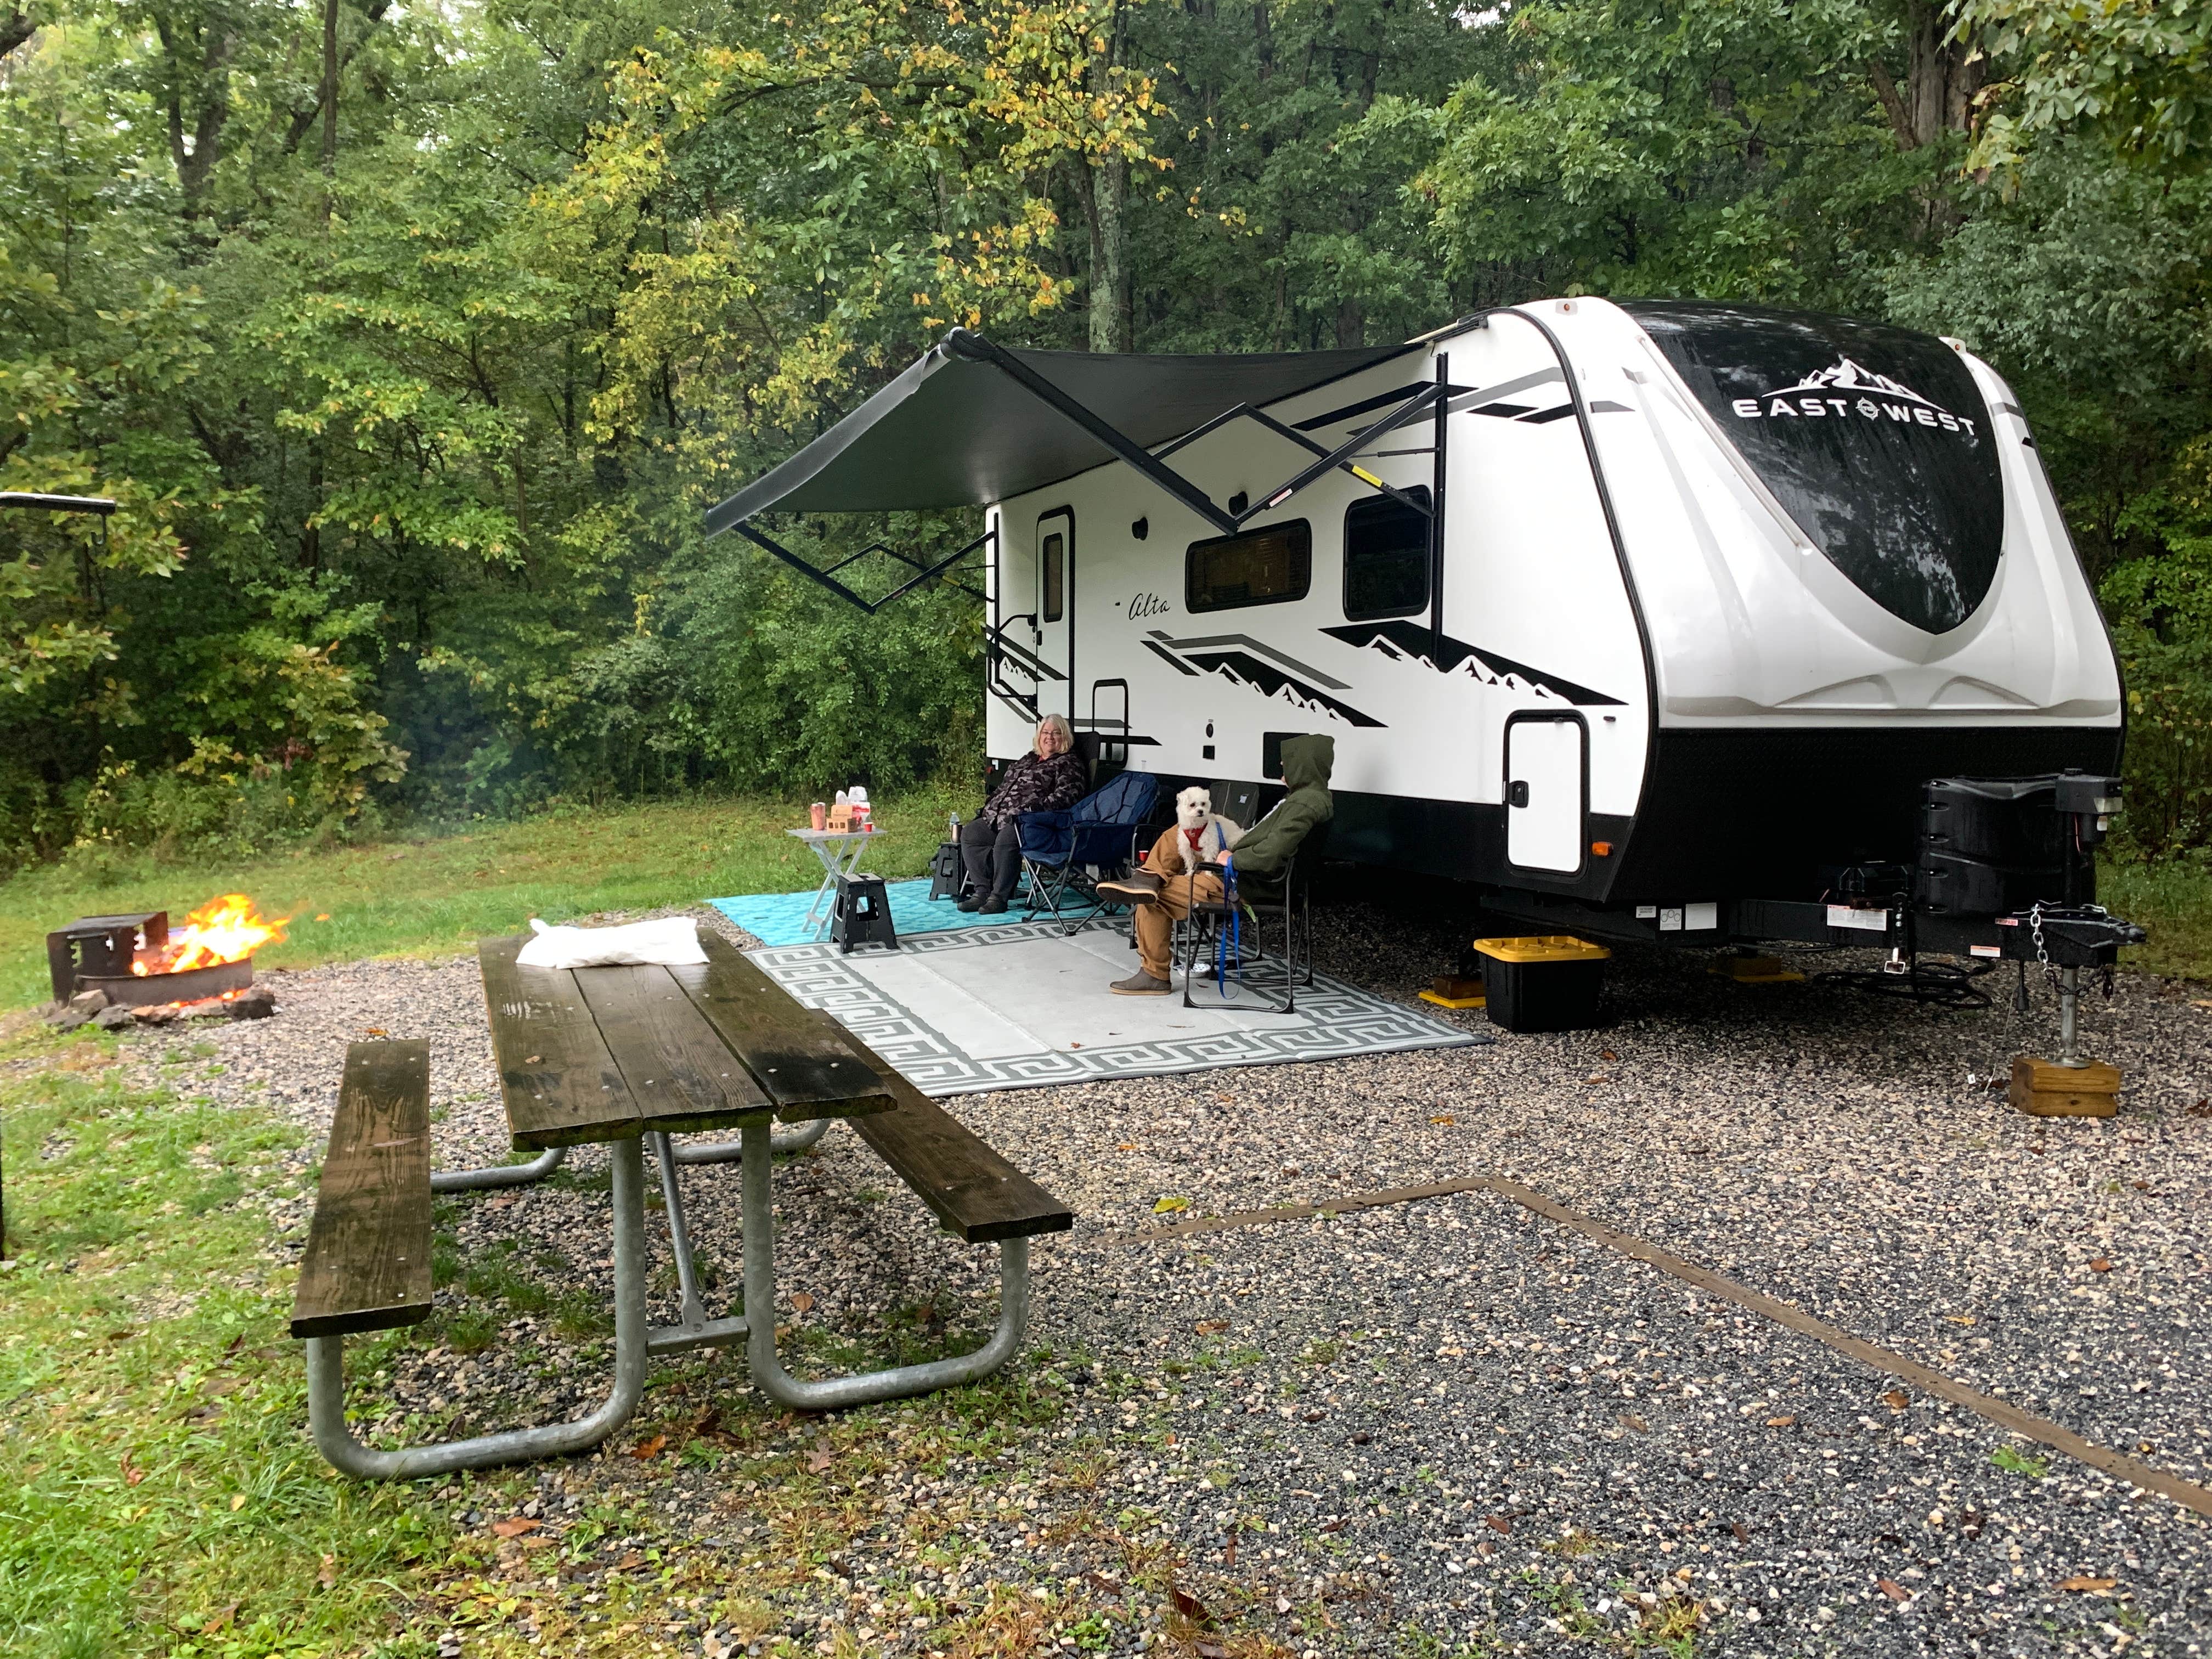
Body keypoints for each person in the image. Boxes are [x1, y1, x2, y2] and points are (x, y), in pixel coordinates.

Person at [1100, 733, 1334, 995]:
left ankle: (1154, 974)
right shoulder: (1308, 798)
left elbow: (1272, 853)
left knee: (1151, 898)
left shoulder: (1304, 804)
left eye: (1287, 762)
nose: (1281, 766)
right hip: (1241, 875)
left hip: (1242, 882)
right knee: (1185, 828)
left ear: (1303, 765)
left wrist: (1234, 858)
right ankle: (1148, 875)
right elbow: (1272, 844)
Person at [957, 714, 1088, 914]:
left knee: (1008, 838)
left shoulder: (1069, 763)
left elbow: (1067, 797)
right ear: (1039, 736)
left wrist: (1030, 811)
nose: (1050, 737)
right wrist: (989, 808)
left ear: (1065, 737)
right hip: (999, 816)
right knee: (971, 834)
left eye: (1056, 733)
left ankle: (999, 898)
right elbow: (1005, 785)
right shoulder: (1028, 758)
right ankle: (982, 892)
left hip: (1034, 821)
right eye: (1045, 732)